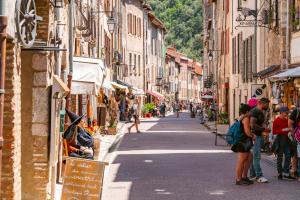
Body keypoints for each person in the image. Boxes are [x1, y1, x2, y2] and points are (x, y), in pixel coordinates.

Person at [231, 104, 255, 185]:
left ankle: (244, 177)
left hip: (243, 141)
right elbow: (247, 132)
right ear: (247, 111)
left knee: (249, 157)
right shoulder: (245, 119)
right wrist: (253, 136)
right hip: (243, 141)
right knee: (241, 160)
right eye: (250, 111)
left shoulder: (241, 117)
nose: (251, 112)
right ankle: (239, 179)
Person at [249, 98, 270, 183]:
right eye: (267, 104)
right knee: (257, 156)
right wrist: (263, 129)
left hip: (257, 135)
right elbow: (252, 124)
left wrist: (263, 129)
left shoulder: (259, 112)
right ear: (262, 103)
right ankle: (259, 175)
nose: (268, 106)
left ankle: (253, 175)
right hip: (255, 136)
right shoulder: (255, 111)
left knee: (254, 156)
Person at [272, 106, 295, 180]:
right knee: (280, 157)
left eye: (287, 113)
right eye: (286, 112)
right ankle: (280, 173)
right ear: (281, 113)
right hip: (279, 140)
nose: (287, 114)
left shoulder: (287, 120)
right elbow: (274, 132)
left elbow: (289, 128)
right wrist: (284, 130)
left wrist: (290, 130)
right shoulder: (276, 121)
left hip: (287, 140)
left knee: (288, 156)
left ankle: (286, 172)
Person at [289, 105, 300, 179]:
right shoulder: (297, 111)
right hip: (297, 136)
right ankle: (295, 171)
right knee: (296, 155)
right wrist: (293, 133)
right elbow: (290, 122)